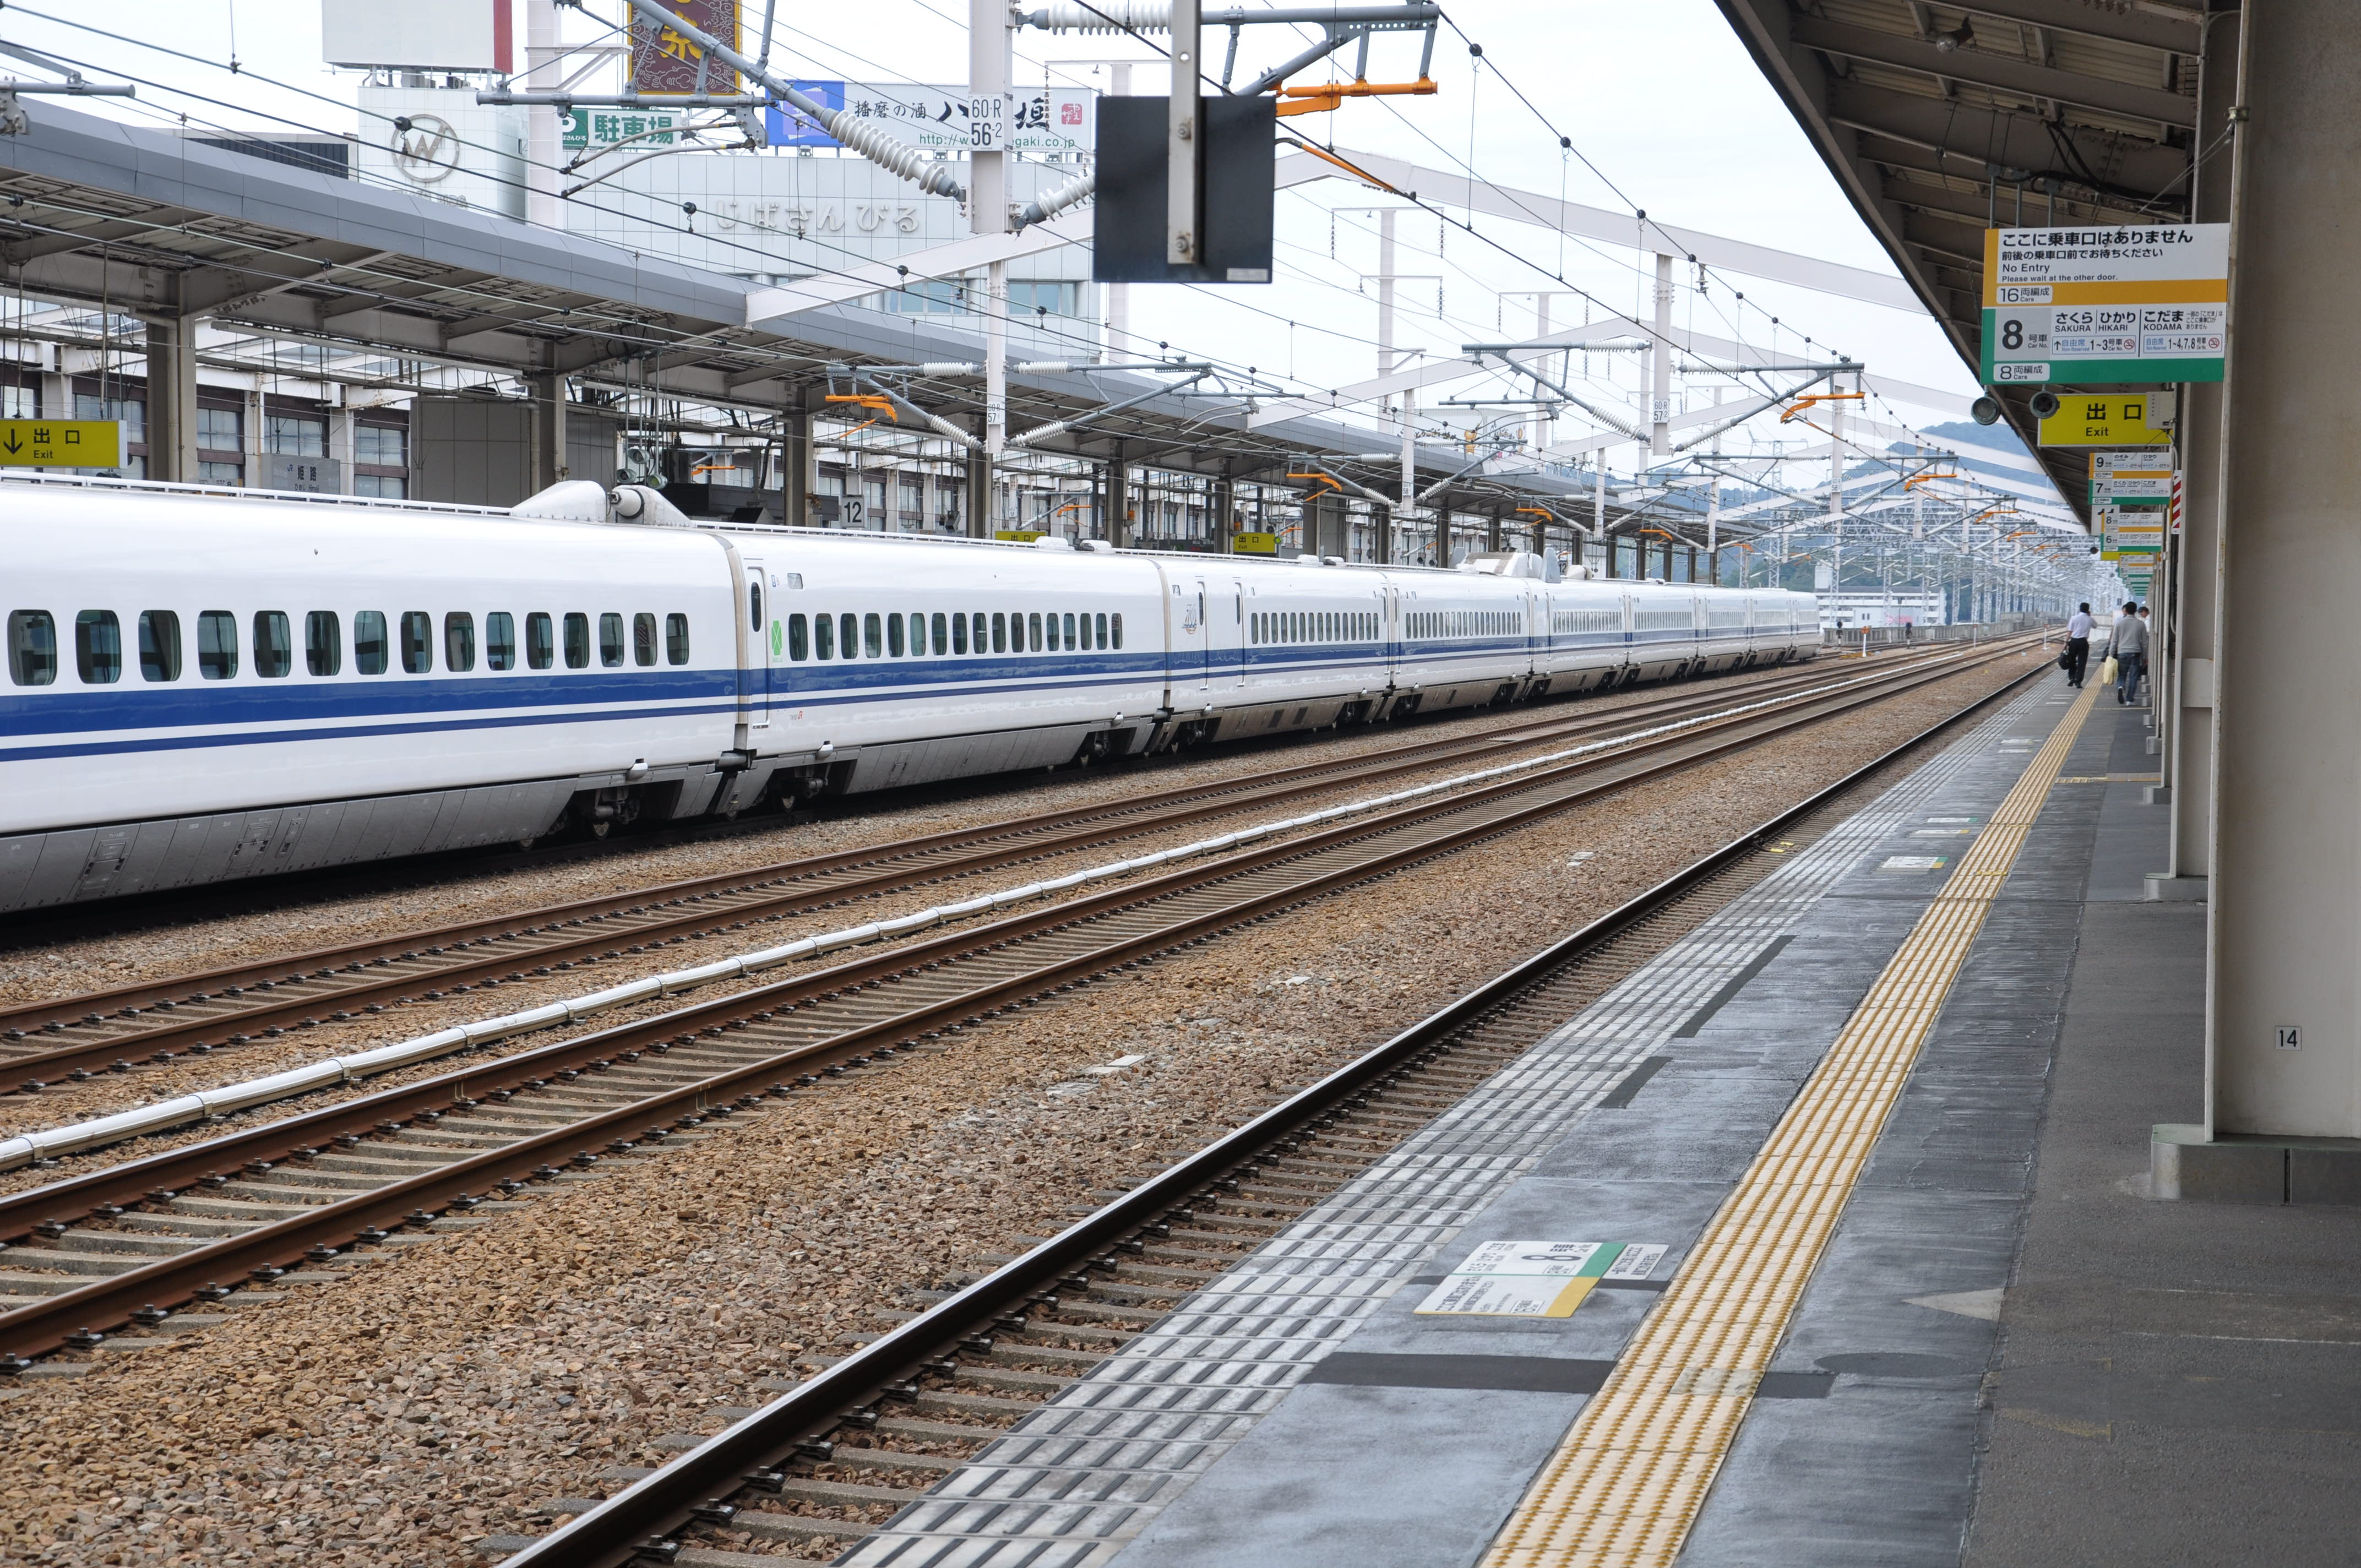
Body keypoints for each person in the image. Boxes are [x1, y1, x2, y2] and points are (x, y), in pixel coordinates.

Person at [2106, 600, 2148, 705]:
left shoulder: (2119, 623)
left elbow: (2114, 641)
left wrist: (2111, 654)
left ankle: (2120, 686)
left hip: (2122, 653)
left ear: (2126, 610)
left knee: (2122, 675)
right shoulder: (2141, 624)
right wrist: (2145, 657)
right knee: (2133, 677)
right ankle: (2129, 699)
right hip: (2136, 654)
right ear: (2135, 611)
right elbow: (2145, 643)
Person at [2062, 602, 2095, 687]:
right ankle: (2079, 682)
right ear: (2088, 610)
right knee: (2082, 662)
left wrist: (2066, 642)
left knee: (2072, 660)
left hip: (2074, 642)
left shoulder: (2074, 618)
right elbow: (2096, 626)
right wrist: (2089, 616)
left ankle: (2072, 678)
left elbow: (2070, 631)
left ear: (2080, 609)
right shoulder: (2090, 619)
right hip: (2084, 642)